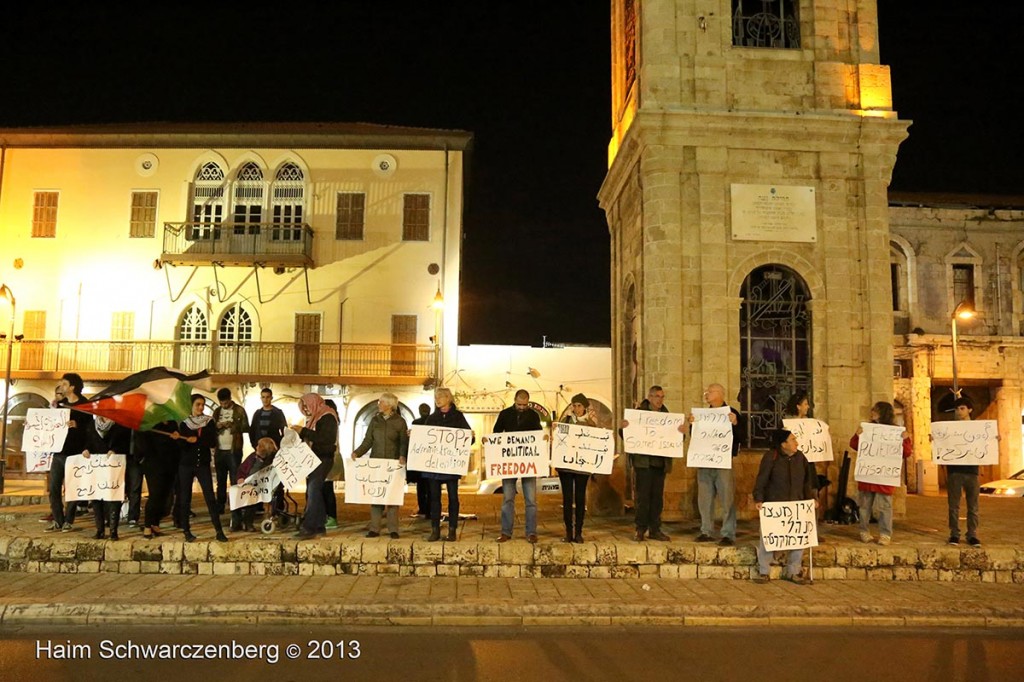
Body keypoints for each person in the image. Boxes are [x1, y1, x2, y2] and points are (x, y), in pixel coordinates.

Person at [752, 429, 818, 584]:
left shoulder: (801, 458)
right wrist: (759, 498)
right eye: (793, 439)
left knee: (798, 538)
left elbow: (807, 481)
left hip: (796, 503)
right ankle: (764, 571)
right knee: (768, 537)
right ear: (783, 444)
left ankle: (794, 571)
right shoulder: (771, 457)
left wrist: (811, 498)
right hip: (775, 504)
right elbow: (762, 479)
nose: (797, 443)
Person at [622, 385, 683, 542]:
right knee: (643, 497)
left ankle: (655, 529)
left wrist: (680, 433)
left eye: (662, 396)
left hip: (660, 463)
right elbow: (627, 435)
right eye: (657, 396)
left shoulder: (666, 415)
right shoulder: (639, 414)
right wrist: (624, 429)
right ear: (649, 397)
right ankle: (640, 528)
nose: (659, 400)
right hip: (643, 463)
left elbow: (675, 440)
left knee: (657, 498)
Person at [850, 401, 911, 546]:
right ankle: (864, 531)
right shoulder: (867, 429)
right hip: (868, 475)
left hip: (884, 476)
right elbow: (854, 445)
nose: (872, 413)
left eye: (875, 411)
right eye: (872, 410)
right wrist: (857, 436)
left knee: (885, 506)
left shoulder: (895, 431)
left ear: (883, 413)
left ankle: (885, 533)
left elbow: (906, 452)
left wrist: (906, 439)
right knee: (865, 506)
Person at [692, 383, 744, 546]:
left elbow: (741, 436)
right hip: (705, 461)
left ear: (721, 393)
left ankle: (728, 532)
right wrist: (693, 424)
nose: (706, 394)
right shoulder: (703, 415)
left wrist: (735, 424)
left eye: (710, 391)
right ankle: (706, 530)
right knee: (704, 498)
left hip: (722, 462)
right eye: (706, 391)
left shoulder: (731, 413)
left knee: (726, 497)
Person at [352, 392, 408, 539]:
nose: (379, 404)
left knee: (392, 497)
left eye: (381, 402)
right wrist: (357, 452)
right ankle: (374, 528)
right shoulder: (374, 420)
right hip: (376, 463)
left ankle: (393, 529)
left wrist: (402, 456)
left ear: (390, 405)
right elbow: (368, 440)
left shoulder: (400, 422)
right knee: (376, 496)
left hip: (393, 463)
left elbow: (403, 441)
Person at [172, 394, 228, 543]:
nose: (201, 407)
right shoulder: (184, 423)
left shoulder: (209, 422)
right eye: (198, 404)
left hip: (202, 464)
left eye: (202, 405)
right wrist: (180, 439)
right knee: (185, 498)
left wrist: (196, 440)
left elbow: (211, 442)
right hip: (186, 465)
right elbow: (182, 446)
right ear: (191, 406)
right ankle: (186, 530)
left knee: (210, 497)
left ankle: (218, 530)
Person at [421, 387, 472, 542]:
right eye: (436, 397)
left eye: (440, 397)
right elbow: (424, 437)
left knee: (453, 497)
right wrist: (415, 435)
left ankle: (452, 530)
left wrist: (471, 436)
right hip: (434, 466)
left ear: (448, 398)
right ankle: (435, 529)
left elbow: (467, 436)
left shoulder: (458, 417)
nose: (437, 400)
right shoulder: (431, 418)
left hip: (451, 465)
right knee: (434, 498)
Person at [493, 389, 543, 543]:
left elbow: (538, 435)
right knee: (508, 498)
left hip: (528, 462)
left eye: (525, 405)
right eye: (519, 404)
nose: (522, 407)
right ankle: (506, 532)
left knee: (531, 499)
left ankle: (531, 532)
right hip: (509, 461)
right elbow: (496, 432)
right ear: (514, 400)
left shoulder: (534, 415)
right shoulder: (505, 414)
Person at [45, 373, 93, 532]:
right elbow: (50, 423)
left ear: (72, 387)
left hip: (76, 453)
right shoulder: (60, 404)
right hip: (59, 451)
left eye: (64, 383)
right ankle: (58, 520)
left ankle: (68, 520)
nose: (61, 386)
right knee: (54, 488)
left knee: (72, 488)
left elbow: (90, 430)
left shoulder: (85, 405)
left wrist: (77, 425)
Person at [292, 393, 338, 540]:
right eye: (303, 407)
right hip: (314, 459)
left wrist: (304, 431)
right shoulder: (316, 418)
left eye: (306, 405)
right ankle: (319, 526)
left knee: (313, 490)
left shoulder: (327, 416)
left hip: (323, 458)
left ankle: (309, 527)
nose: (305, 409)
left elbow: (325, 439)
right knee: (314, 490)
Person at [82, 415, 132, 540]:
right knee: (96, 497)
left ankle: (113, 530)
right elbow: (87, 442)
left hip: (114, 465)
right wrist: (86, 450)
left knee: (114, 497)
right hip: (96, 466)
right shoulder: (91, 425)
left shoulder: (120, 425)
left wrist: (115, 450)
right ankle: (100, 530)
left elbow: (126, 443)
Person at [945, 396, 983, 546]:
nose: (959, 412)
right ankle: (954, 534)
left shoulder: (978, 429)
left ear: (969, 410)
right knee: (953, 505)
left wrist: (994, 440)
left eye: (962, 408)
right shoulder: (950, 429)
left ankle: (972, 534)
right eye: (957, 409)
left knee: (973, 506)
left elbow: (984, 444)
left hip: (972, 471)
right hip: (954, 471)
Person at [558, 393, 595, 543]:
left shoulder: (590, 423)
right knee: (567, 499)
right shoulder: (566, 420)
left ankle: (578, 532)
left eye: (579, 405)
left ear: (584, 407)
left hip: (582, 466)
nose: (576, 408)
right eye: (574, 405)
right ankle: (568, 532)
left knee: (580, 499)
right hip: (566, 466)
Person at [212, 387, 249, 518]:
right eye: (221, 403)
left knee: (235, 479)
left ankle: (235, 507)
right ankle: (220, 505)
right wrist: (218, 426)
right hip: (220, 450)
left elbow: (246, 427)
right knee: (220, 480)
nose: (224, 405)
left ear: (230, 399)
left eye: (226, 403)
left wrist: (232, 425)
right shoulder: (216, 412)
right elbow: (211, 427)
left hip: (234, 450)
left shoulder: (239, 410)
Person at [139, 420, 178, 539]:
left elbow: (177, 444)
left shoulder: (172, 424)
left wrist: (176, 436)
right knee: (155, 495)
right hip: (154, 465)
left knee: (164, 495)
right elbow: (144, 443)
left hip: (170, 463)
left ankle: (155, 523)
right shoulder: (150, 424)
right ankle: (147, 526)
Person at [233, 437, 279, 532]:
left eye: (259, 446)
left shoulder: (271, 461)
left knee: (252, 499)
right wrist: (240, 478)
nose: (256, 447)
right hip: (246, 482)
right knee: (235, 495)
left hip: (260, 486)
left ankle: (248, 523)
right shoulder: (252, 457)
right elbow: (241, 469)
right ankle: (236, 522)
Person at [408, 403, 432, 518]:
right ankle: (428, 509)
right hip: (429, 459)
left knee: (422, 487)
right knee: (428, 486)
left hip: (421, 459)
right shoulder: (432, 421)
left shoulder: (416, 423)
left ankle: (423, 508)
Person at [323, 398, 341, 529]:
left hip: (328, 459)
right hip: (328, 459)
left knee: (327, 489)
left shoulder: (330, 422)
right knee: (325, 489)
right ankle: (327, 516)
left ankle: (331, 517)